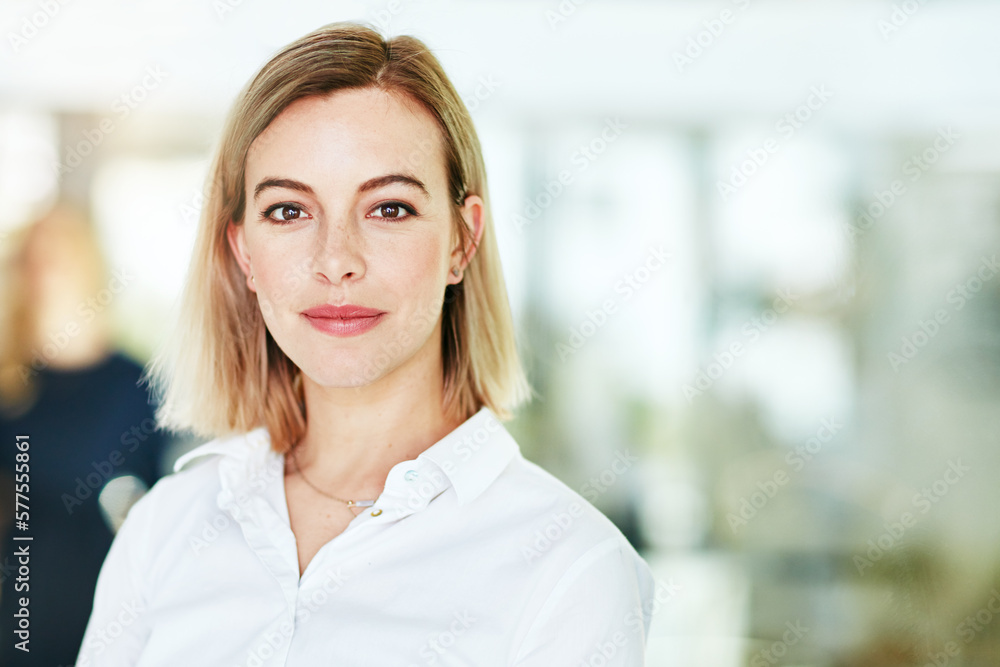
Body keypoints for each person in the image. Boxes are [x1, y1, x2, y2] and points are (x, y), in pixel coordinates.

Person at [76, 22, 657, 665]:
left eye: (389, 208)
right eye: (289, 211)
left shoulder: (569, 570)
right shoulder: (165, 528)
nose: (336, 261)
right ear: (243, 252)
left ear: (462, 241)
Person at [0, 204, 166, 666]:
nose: (41, 275)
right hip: (16, 611)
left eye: (55, 260)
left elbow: (154, 504)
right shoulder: (11, 384)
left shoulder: (135, 385)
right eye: (30, 261)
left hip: (104, 611)